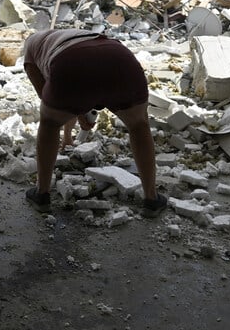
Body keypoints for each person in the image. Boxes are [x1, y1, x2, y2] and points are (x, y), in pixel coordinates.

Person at [21, 29, 168, 217]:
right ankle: (151, 198)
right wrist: (78, 117)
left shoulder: (31, 48)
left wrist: (78, 110)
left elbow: (51, 101)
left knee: (49, 123)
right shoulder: (70, 34)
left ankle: (41, 194)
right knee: (139, 125)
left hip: (70, 62)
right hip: (120, 57)